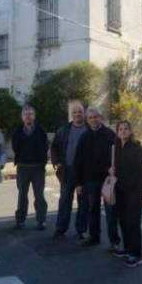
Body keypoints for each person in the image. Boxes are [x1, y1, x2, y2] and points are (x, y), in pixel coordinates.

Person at [75, 106, 120, 248]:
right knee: (92, 210)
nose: (93, 120)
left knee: (111, 211)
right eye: (90, 118)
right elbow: (78, 161)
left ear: (100, 118)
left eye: (95, 117)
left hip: (107, 180)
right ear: (87, 120)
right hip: (90, 180)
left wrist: (115, 172)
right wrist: (79, 183)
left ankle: (114, 242)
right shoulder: (84, 137)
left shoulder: (110, 134)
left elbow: (118, 155)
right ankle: (94, 237)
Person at [114, 120, 142, 268]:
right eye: (120, 129)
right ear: (117, 132)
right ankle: (128, 249)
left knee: (133, 223)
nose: (123, 131)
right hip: (120, 191)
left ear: (130, 131)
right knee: (123, 221)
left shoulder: (137, 148)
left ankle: (137, 255)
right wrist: (109, 170)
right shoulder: (116, 148)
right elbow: (112, 167)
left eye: (125, 129)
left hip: (135, 191)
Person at [51, 102, 89, 240]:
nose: (77, 114)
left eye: (80, 112)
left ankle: (81, 230)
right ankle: (60, 229)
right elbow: (54, 146)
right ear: (71, 115)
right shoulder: (64, 130)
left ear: (83, 113)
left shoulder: (89, 129)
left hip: (84, 173)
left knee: (83, 202)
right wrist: (57, 162)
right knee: (65, 200)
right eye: (75, 112)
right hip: (67, 171)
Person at [12, 106, 49, 230]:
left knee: (39, 195)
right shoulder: (17, 131)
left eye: (31, 114)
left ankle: (41, 220)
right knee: (22, 195)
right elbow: (14, 146)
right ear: (22, 117)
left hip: (38, 167)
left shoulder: (41, 130)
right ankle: (20, 220)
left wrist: (42, 161)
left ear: (34, 116)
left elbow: (46, 146)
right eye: (26, 114)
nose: (28, 116)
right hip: (23, 167)